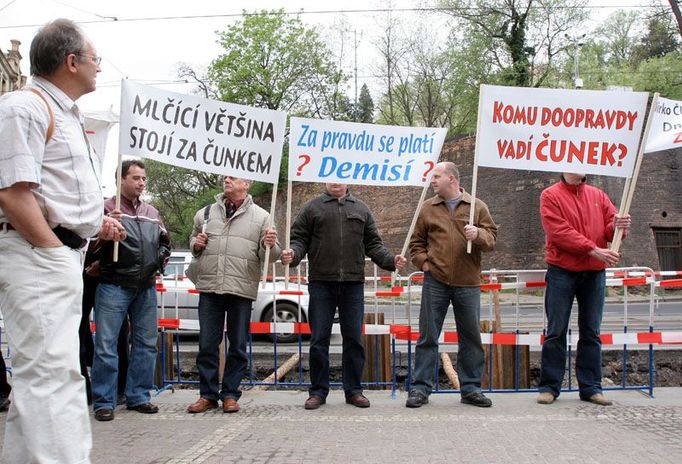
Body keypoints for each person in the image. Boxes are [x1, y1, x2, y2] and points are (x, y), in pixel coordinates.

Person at [0, 18, 125, 463]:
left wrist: (94, 223)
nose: (99, 68)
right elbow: (14, 191)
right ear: (71, 62)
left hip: (56, 252)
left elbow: (55, 191)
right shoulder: (24, 107)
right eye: (95, 59)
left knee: (50, 375)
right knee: (51, 376)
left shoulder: (65, 115)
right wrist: (53, 249)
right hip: (40, 254)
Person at [281, 183, 407, 410]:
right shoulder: (312, 208)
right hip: (321, 283)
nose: (335, 181)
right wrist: (293, 253)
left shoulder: (361, 209)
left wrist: (391, 261)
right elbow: (299, 240)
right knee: (319, 340)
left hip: (353, 283)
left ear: (347, 181)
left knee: (354, 340)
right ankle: (318, 391)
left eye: (340, 177)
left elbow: (374, 245)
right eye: (330, 177)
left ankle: (354, 390)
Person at [406, 162, 497, 409]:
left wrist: (478, 234)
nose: (432, 181)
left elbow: (492, 240)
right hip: (435, 281)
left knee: (470, 337)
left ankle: (471, 389)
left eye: (436, 176)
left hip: (468, 282)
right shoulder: (427, 208)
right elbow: (416, 243)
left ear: (452, 179)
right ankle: (421, 389)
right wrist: (424, 263)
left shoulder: (476, 207)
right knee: (427, 336)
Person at [185, 176, 280, 414]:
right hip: (210, 286)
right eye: (224, 176)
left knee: (237, 345)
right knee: (207, 344)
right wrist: (196, 244)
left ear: (246, 183)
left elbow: (271, 255)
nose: (226, 179)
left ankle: (230, 394)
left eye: (232, 176)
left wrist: (270, 244)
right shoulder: (204, 213)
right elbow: (193, 245)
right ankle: (207, 395)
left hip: (241, 288)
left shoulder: (262, 217)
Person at [537, 173, 631, 406]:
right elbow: (558, 232)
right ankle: (550, 387)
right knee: (556, 330)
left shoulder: (598, 195)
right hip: (562, 270)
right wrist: (593, 249)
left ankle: (591, 387)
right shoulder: (550, 195)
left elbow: (611, 230)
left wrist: (619, 226)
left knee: (591, 330)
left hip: (594, 272)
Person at [90, 160, 170, 421]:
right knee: (106, 344)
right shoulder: (105, 209)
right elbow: (88, 247)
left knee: (146, 344)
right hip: (114, 284)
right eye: (136, 178)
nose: (141, 183)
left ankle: (139, 396)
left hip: (145, 287)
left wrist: (159, 261)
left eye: (143, 178)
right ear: (120, 180)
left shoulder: (151, 212)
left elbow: (164, 242)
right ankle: (104, 400)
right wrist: (103, 233)